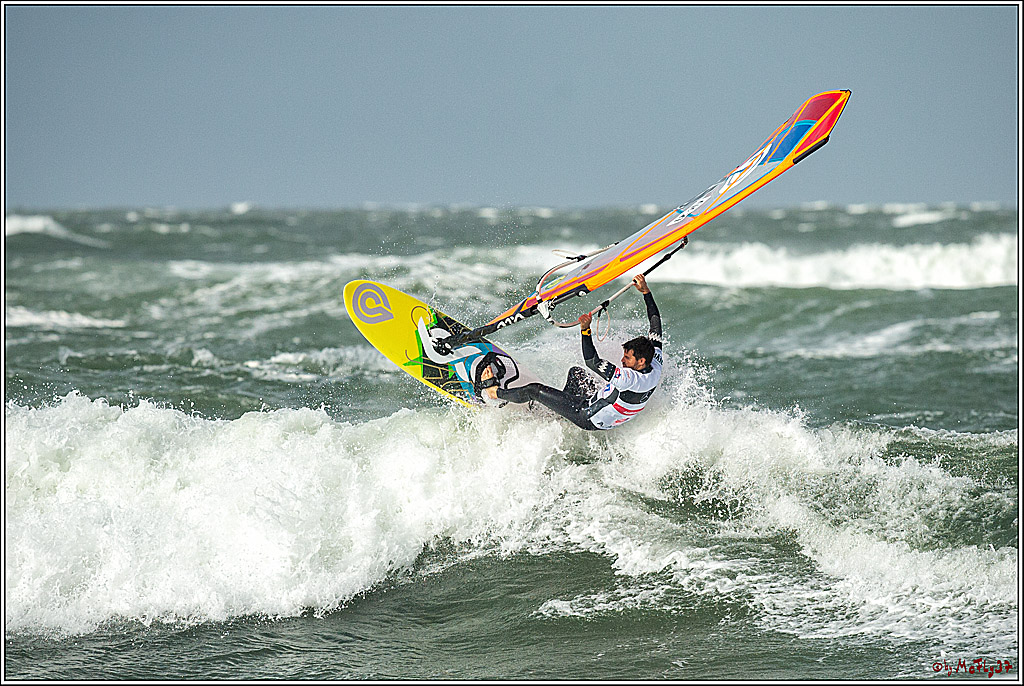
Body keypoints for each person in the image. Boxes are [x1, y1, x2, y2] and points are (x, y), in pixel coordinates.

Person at [480, 273, 663, 430]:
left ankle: (495, 392)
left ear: (640, 362)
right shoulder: (655, 361)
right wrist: (646, 292)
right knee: (576, 374)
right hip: (613, 415)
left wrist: (585, 330)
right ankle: (559, 411)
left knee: (533, 390)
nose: (622, 361)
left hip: (588, 417)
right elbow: (655, 322)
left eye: (628, 358)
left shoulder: (628, 378)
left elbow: (592, 361)